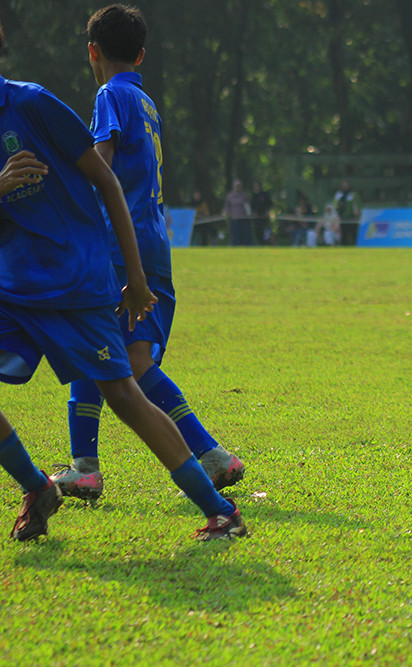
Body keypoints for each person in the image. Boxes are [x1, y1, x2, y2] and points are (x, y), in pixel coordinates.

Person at [0, 20, 245, 541]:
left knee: (125, 390)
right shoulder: (137, 99)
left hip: (78, 279)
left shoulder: (36, 103)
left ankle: (218, 508)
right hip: (15, 285)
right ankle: (41, 484)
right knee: (129, 373)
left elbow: (105, 177)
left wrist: (133, 276)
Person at [223, 178, 252, 246]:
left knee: (245, 235)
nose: (238, 187)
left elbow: (249, 205)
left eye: (239, 186)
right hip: (234, 219)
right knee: (235, 236)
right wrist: (228, 213)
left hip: (244, 218)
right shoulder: (230, 196)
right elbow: (226, 206)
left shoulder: (245, 195)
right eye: (237, 186)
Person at [334, 181, 359, 245]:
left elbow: (355, 205)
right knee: (343, 234)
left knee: (353, 233)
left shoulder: (353, 195)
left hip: (351, 217)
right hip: (342, 217)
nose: (345, 187)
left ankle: (354, 245)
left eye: (346, 185)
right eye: (343, 186)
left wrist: (356, 213)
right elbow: (335, 205)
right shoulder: (339, 195)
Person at [250, 180, 273, 245]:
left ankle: (267, 243)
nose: (256, 187)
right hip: (257, 218)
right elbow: (251, 206)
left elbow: (269, 204)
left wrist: (267, 212)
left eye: (257, 185)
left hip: (264, 217)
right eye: (254, 186)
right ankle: (259, 243)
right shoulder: (253, 196)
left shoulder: (265, 194)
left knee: (266, 231)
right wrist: (254, 213)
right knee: (258, 231)